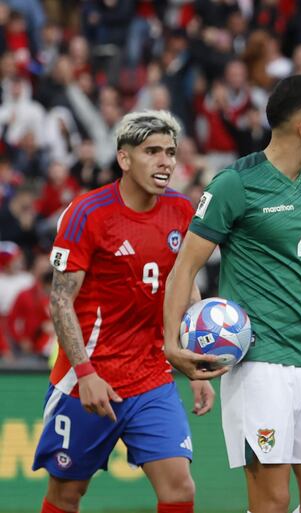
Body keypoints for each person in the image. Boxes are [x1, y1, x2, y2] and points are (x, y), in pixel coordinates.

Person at [163, 75, 301, 513]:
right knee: (272, 503)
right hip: (259, 367)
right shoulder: (235, 184)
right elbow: (183, 269)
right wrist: (173, 344)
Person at [33, 110, 218, 513]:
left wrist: (196, 362)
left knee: (180, 488)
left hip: (151, 377)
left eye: (170, 152)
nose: (165, 161)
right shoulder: (87, 213)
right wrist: (86, 375)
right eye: (152, 151)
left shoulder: (181, 211)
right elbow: (60, 299)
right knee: (66, 494)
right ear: (124, 158)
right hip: (87, 379)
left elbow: (185, 287)